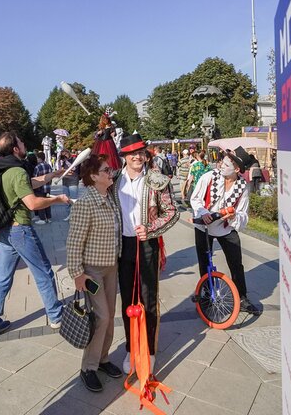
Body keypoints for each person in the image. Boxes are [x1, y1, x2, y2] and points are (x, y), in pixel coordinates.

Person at [0, 132, 70, 339]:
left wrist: (53, 175)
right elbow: (32, 202)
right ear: (15, 149)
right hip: (20, 229)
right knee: (44, 273)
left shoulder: (2, 170)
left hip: (5, 231)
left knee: (2, 280)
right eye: (21, 142)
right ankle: (56, 316)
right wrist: (57, 199)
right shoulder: (16, 171)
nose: (24, 144)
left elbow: (31, 182)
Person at [111, 133, 179, 374]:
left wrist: (150, 228)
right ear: (125, 157)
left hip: (147, 245)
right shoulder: (113, 180)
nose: (138, 156)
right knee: (127, 301)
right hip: (122, 247)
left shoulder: (157, 180)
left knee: (148, 301)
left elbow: (172, 212)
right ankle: (131, 348)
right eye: (132, 153)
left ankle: (149, 352)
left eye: (141, 152)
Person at [66, 154, 123, 392]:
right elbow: (73, 242)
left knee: (109, 315)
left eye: (110, 170)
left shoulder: (108, 197)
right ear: (93, 177)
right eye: (106, 170)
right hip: (92, 271)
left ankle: (103, 359)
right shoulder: (85, 203)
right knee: (102, 317)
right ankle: (88, 367)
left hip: (111, 267)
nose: (111, 173)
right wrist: (77, 274)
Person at [191, 147, 261, 315]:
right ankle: (207, 294)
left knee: (236, 262)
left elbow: (243, 213)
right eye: (222, 160)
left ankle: (242, 297)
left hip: (225, 227)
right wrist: (203, 212)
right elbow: (195, 198)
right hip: (204, 225)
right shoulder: (209, 177)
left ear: (237, 169)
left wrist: (233, 217)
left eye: (226, 162)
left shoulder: (242, 186)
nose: (221, 164)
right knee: (205, 262)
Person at [33, 151, 53, 224]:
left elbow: (35, 177)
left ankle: (42, 219)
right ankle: (48, 217)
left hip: (40, 187)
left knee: (41, 203)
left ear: (39, 158)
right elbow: (51, 176)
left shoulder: (37, 167)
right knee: (48, 202)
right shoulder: (48, 165)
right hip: (47, 187)